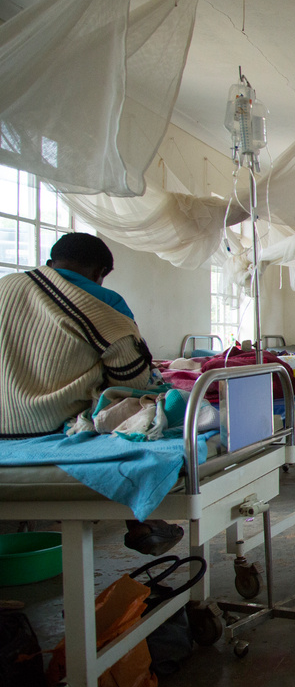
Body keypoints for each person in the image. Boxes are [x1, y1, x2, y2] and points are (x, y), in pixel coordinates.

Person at [0, 233, 182, 555]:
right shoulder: (104, 303)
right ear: (100, 272)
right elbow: (135, 380)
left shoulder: (6, 285)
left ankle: (142, 523)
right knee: (138, 412)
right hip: (48, 426)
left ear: (50, 263)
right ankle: (142, 520)